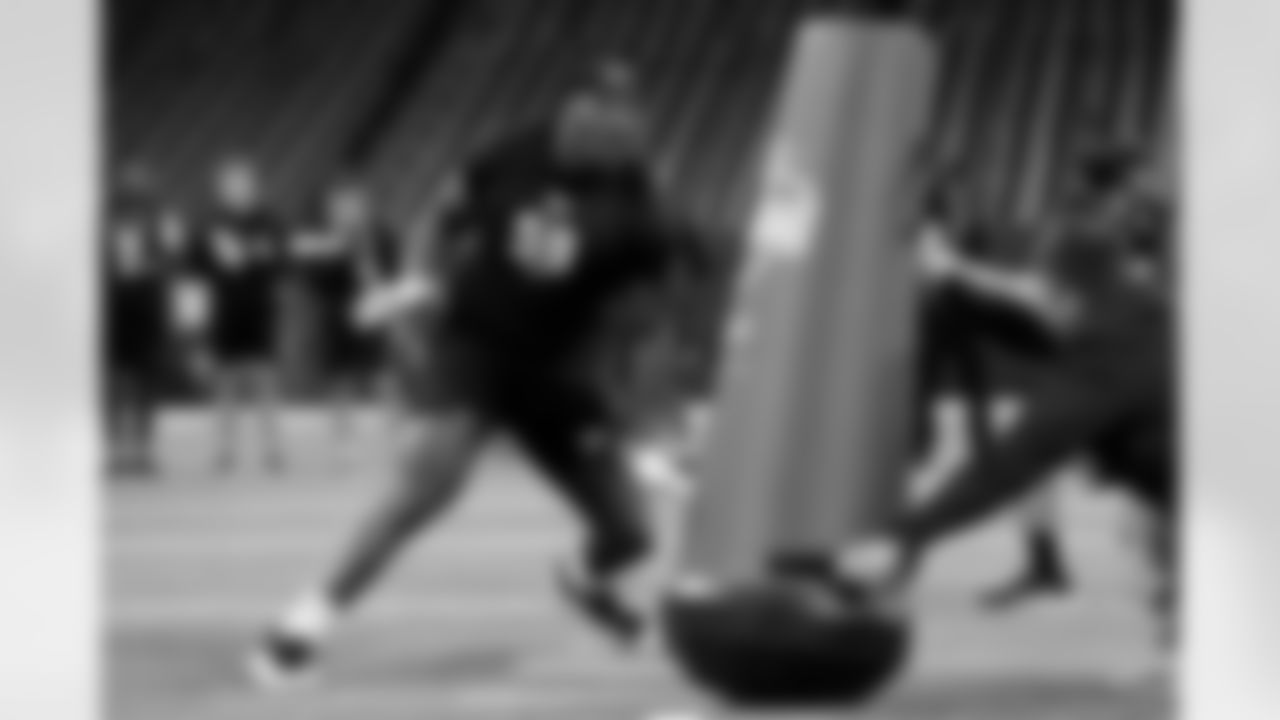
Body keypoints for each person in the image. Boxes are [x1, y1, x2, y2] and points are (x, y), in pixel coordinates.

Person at [247, 81, 715, 687]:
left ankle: (582, 578)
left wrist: (656, 420)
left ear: (626, 141)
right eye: (578, 119)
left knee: (631, 535)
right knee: (428, 484)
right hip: (479, 348)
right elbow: (441, 216)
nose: (577, 138)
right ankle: (300, 629)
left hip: (558, 377)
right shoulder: (517, 151)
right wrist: (418, 278)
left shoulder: (642, 207)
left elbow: (667, 305)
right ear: (570, 113)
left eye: (606, 130)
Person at [840, 147, 1176, 647]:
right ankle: (1064, 569)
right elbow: (1029, 297)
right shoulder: (1129, 306)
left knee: (1142, 521)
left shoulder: (1112, 347)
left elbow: (1004, 467)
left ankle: (1174, 605)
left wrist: (907, 529)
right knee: (1143, 518)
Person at [291, 180, 401, 445]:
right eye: (339, 207)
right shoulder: (321, 240)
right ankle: (342, 440)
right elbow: (311, 280)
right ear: (331, 210)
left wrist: (367, 264)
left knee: (383, 375)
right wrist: (332, 253)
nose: (346, 211)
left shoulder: (383, 235)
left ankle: (397, 435)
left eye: (352, 205)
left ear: (364, 207)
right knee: (339, 380)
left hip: (372, 312)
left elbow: (390, 273)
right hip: (335, 316)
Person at [200, 156, 290, 474]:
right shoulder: (209, 224)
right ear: (221, 190)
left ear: (254, 187)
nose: (236, 190)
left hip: (260, 312)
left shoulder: (270, 222)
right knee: (224, 384)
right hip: (224, 313)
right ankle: (225, 450)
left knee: (265, 381)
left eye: (242, 183)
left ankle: (273, 449)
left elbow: (282, 261)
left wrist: (249, 254)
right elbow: (194, 272)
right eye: (229, 184)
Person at [104, 164, 167, 477]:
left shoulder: (158, 225)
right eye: (130, 186)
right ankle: (116, 452)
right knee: (116, 387)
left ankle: (143, 452)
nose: (135, 193)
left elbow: (167, 266)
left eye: (140, 186)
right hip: (114, 314)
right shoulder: (105, 225)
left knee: (145, 387)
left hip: (145, 314)